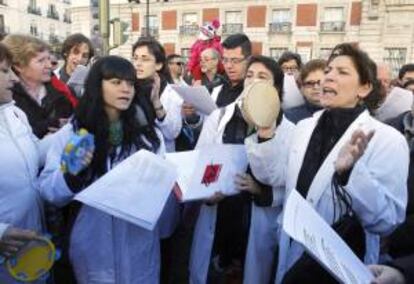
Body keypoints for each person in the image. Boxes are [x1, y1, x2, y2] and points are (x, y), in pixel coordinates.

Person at [249, 43, 408, 283]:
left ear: (364, 88)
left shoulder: (387, 140)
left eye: (342, 72)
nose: (329, 77)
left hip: (339, 267)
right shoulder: (303, 128)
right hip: (292, 250)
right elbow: (274, 177)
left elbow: (386, 221)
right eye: (328, 70)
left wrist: (351, 174)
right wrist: (264, 133)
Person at [39, 56, 166, 283]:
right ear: (98, 85)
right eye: (116, 82)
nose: (125, 89)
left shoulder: (147, 135)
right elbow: (49, 191)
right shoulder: (72, 134)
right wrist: (72, 175)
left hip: (138, 238)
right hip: (93, 239)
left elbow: (162, 185)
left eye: (130, 83)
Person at [189, 55, 293, 284]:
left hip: (256, 218)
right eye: (250, 75)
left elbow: (288, 182)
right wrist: (207, 193)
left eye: (263, 77)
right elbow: (201, 161)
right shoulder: (220, 116)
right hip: (220, 213)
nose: (254, 81)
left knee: (252, 272)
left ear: (276, 87)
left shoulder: (288, 130)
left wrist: (261, 191)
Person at [0, 42, 48, 283]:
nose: (13, 78)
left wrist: (74, 128)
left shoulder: (15, 113)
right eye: (4, 70)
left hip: (31, 247)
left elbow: (37, 153)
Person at [3, 34, 76, 138]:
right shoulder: (7, 98)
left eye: (48, 59)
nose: (49, 65)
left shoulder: (62, 91)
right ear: (18, 66)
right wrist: (47, 127)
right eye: (41, 61)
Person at [211, 33, 251, 107]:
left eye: (235, 60)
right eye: (225, 60)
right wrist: (192, 116)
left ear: (248, 60)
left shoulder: (254, 92)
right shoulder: (216, 87)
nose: (228, 66)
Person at [285, 59, 325, 123]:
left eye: (321, 82)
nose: (316, 87)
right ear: (301, 88)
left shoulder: (343, 114)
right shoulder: (288, 117)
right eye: (309, 83)